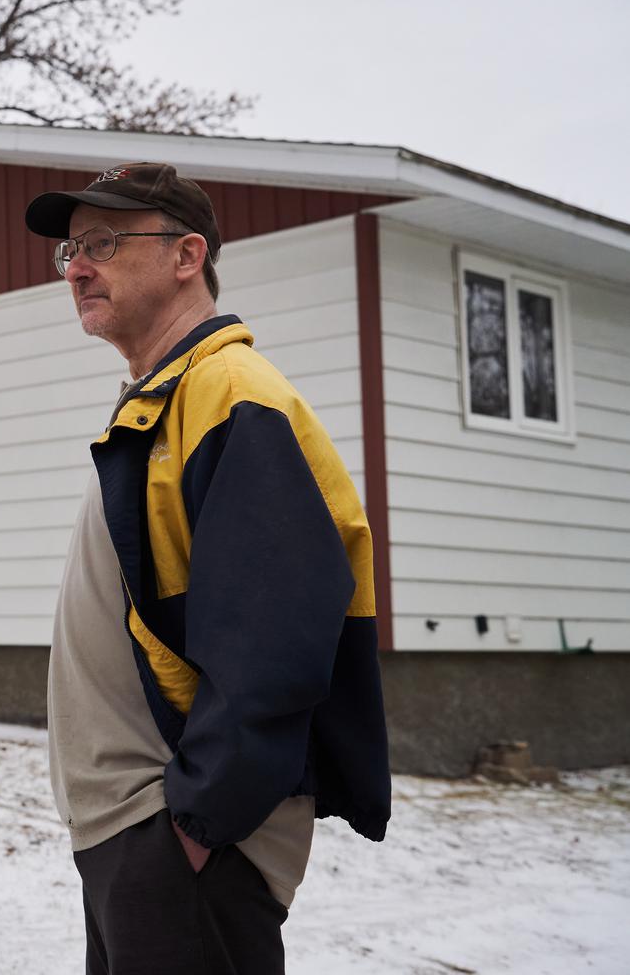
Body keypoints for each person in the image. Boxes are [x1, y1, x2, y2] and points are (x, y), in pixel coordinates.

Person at [25, 163, 390, 975]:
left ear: (187, 256)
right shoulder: (162, 397)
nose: (76, 266)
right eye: (70, 251)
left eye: (103, 243)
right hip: (133, 836)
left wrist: (195, 828)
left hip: (183, 844)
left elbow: (280, 640)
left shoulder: (230, 396)